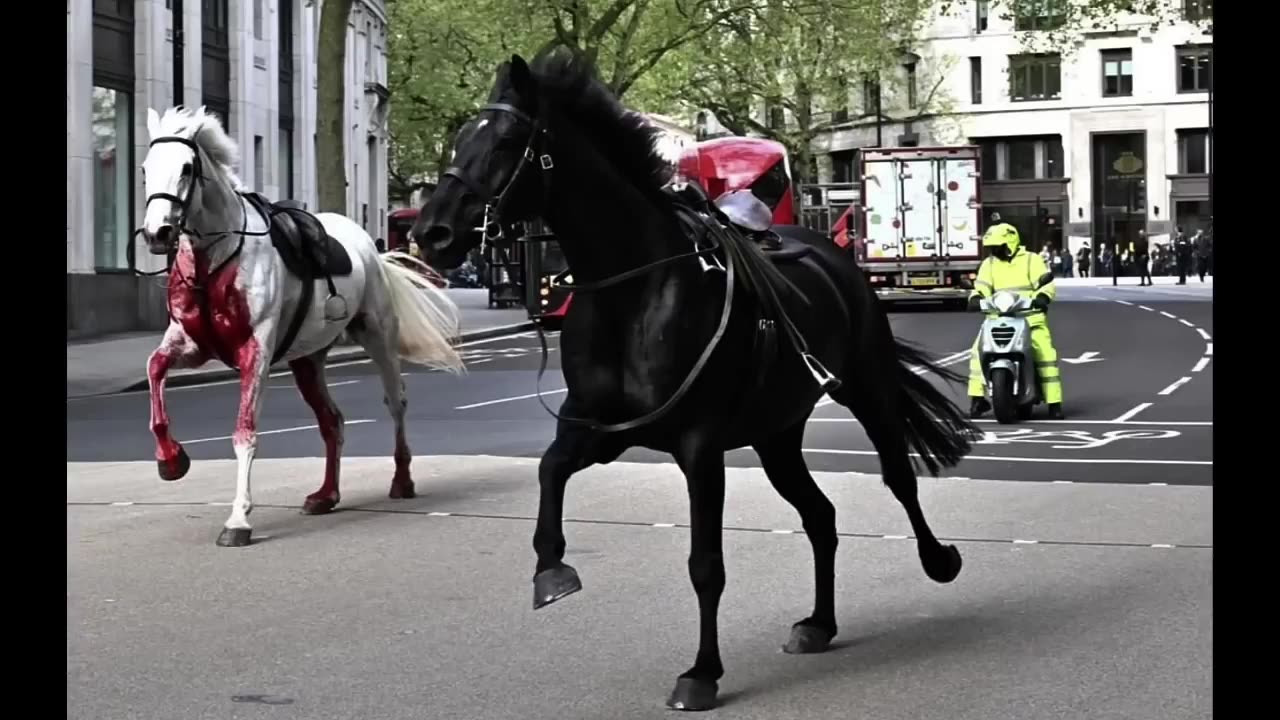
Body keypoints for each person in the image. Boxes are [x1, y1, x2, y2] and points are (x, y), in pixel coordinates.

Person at [966, 223, 1064, 420]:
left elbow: (1046, 283)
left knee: (1045, 355)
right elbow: (981, 286)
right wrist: (975, 298)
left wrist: (1043, 297)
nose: (994, 250)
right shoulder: (989, 264)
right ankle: (977, 399)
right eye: (991, 247)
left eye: (997, 246)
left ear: (1010, 243)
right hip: (997, 318)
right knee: (977, 353)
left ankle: (1055, 403)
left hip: (1030, 319)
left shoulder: (1031, 260)